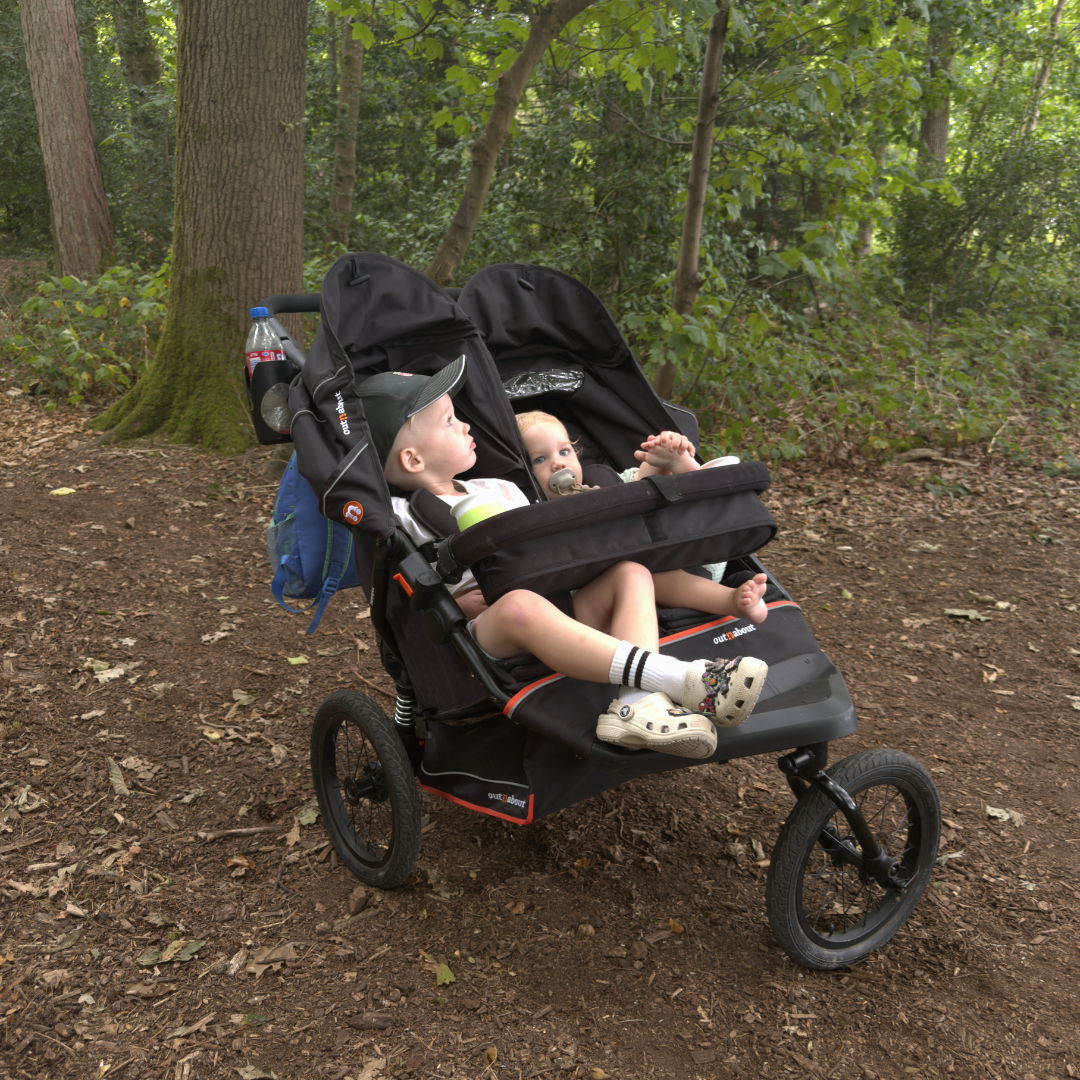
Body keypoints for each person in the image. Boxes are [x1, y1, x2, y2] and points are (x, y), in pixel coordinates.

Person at [357, 359, 769, 760]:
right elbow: (408, 592)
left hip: (560, 606)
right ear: (412, 460)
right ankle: (679, 677)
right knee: (519, 606)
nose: (465, 425)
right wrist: (453, 604)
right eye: (449, 422)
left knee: (631, 572)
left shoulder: (500, 489)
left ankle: (636, 704)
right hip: (487, 633)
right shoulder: (400, 517)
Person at [517, 410, 769, 626]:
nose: (558, 464)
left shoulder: (602, 481)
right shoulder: (534, 515)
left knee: (652, 488)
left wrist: (662, 455)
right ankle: (730, 600)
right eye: (540, 459)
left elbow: (639, 486)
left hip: (689, 560)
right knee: (643, 574)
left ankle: (679, 469)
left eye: (564, 451)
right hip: (619, 590)